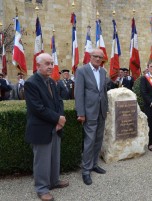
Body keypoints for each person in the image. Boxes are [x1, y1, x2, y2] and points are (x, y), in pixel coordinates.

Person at [24, 53, 68, 201]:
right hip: (41, 128)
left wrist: (59, 120)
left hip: (55, 127)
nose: (51, 66)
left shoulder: (52, 82)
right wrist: (58, 118)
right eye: (47, 64)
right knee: (42, 161)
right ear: (38, 66)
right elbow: (37, 108)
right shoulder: (31, 83)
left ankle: (54, 181)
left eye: (52, 63)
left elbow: (59, 102)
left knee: (55, 157)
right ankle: (42, 188)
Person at [75, 48, 108, 185]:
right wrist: (81, 113)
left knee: (98, 140)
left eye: (101, 57)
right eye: (96, 56)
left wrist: (106, 109)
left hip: (101, 111)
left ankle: (94, 164)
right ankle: (86, 170)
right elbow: (79, 93)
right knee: (89, 141)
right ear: (90, 57)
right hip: (89, 112)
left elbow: (104, 92)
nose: (98, 59)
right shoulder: (82, 71)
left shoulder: (103, 71)